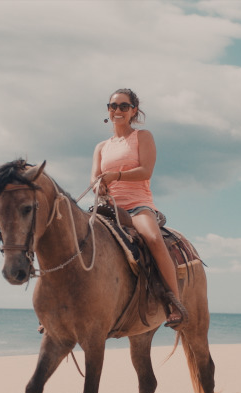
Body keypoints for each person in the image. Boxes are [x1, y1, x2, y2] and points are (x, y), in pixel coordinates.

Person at [91, 88, 185, 327]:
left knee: (153, 238)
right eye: (113, 106)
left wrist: (115, 176)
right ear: (108, 111)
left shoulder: (143, 137)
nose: (118, 111)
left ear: (134, 111)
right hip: (107, 208)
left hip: (137, 205)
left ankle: (175, 301)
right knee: (74, 237)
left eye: (124, 106)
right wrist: (98, 186)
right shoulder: (101, 146)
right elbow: (93, 178)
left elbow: (146, 171)